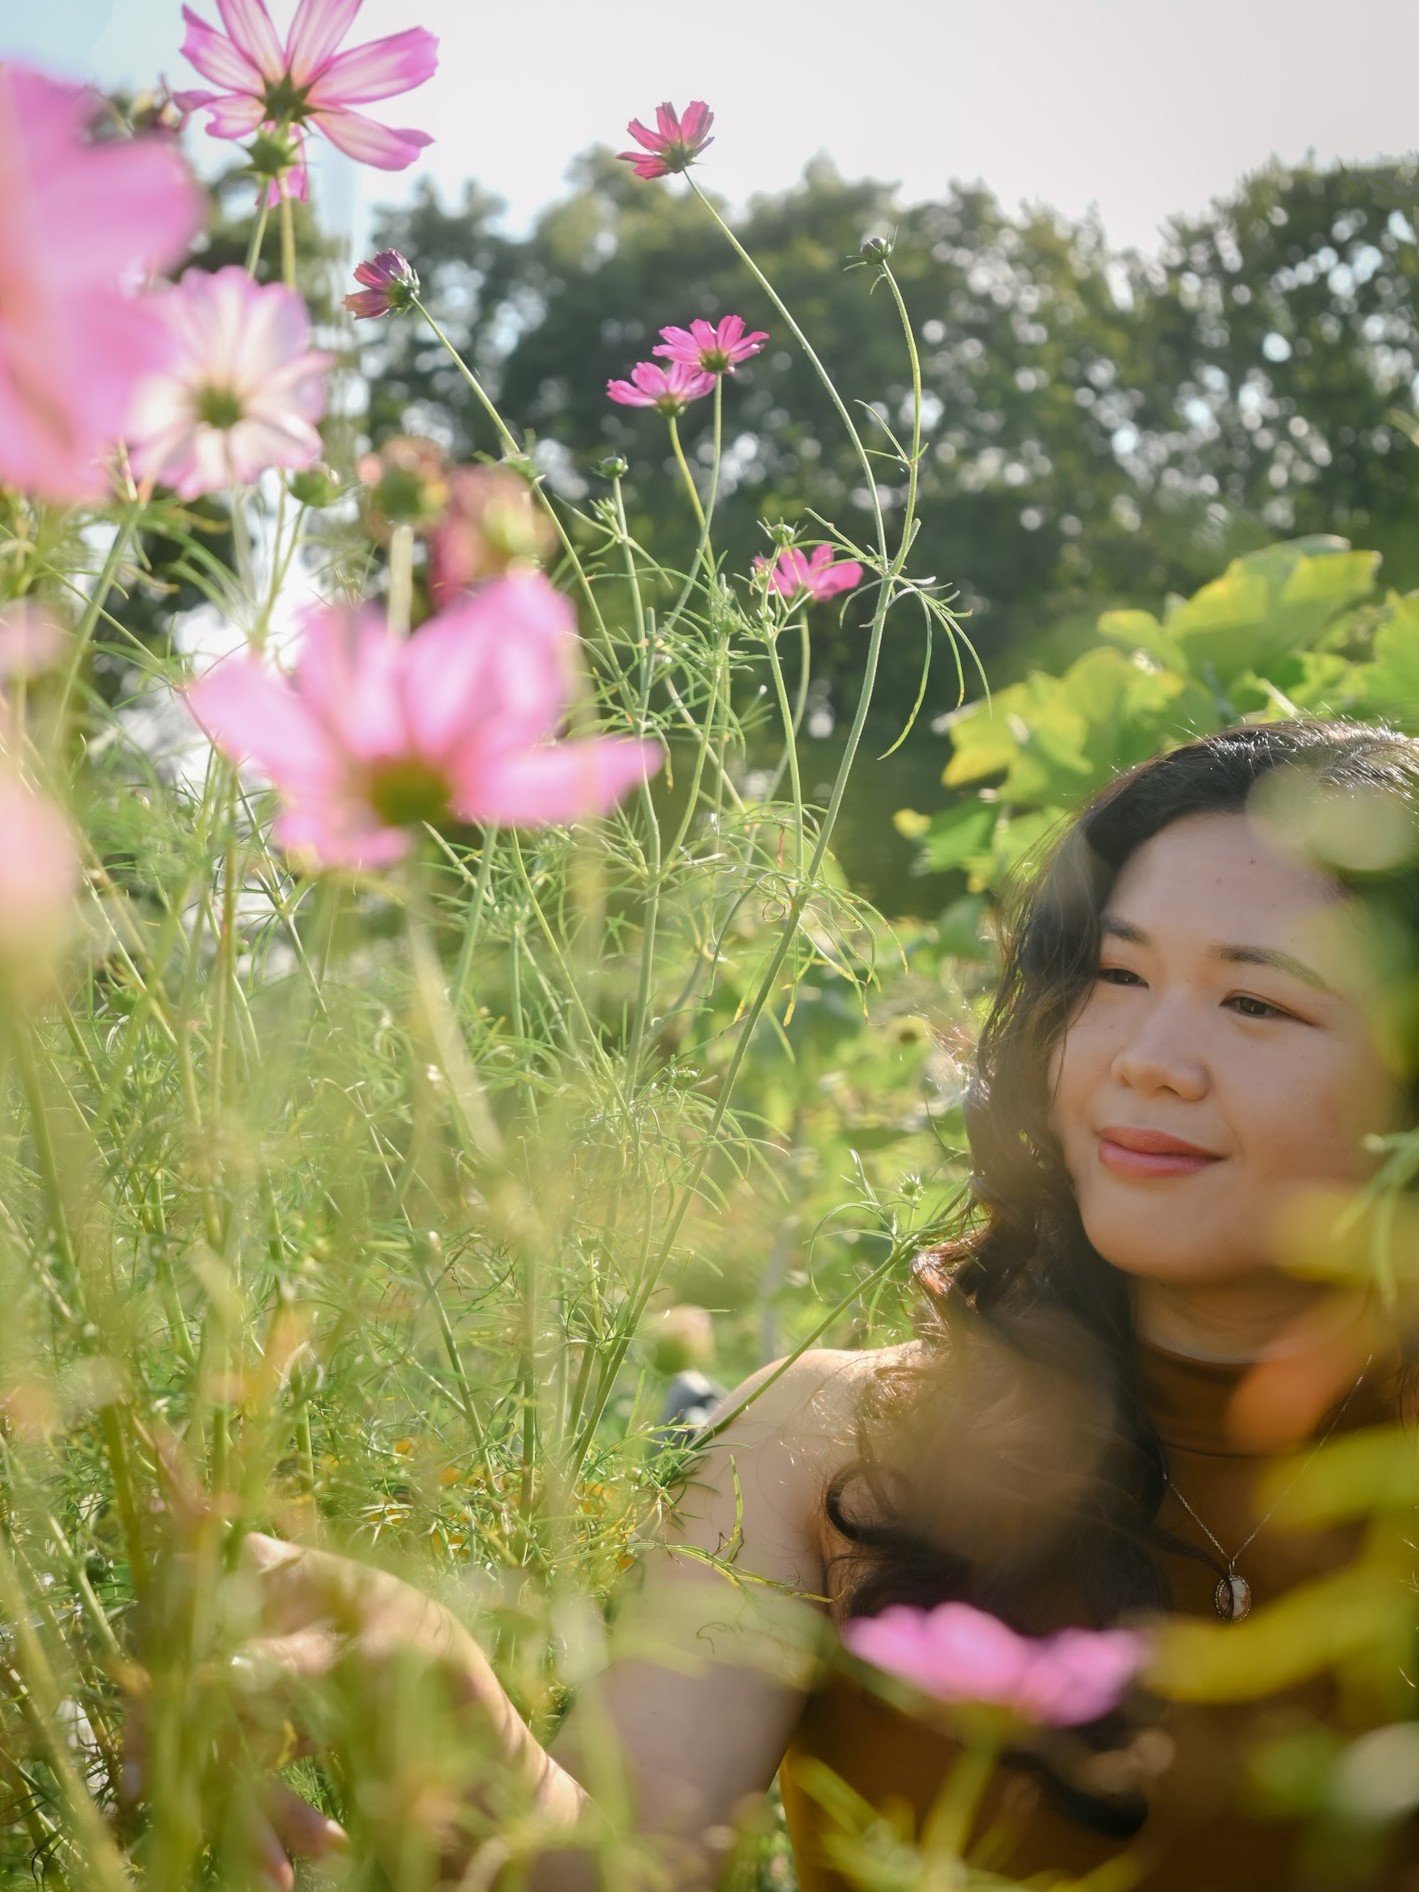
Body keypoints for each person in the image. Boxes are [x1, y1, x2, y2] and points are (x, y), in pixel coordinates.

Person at [225, 718, 1419, 1891]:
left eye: (1256, 1002)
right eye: (1116, 974)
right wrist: (425, 1673)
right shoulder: (835, 1445)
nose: (1147, 1056)